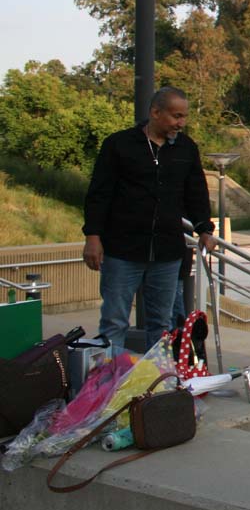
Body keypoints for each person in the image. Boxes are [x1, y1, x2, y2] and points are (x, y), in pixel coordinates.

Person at [83, 86, 215, 351]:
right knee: (114, 321)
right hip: (122, 250)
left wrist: (204, 229)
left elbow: (196, 192)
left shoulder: (187, 149)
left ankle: (160, 383)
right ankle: (111, 382)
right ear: (155, 112)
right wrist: (93, 237)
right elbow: (99, 193)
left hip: (167, 252)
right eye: (176, 116)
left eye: (184, 116)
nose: (181, 123)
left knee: (162, 324)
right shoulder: (118, 145)